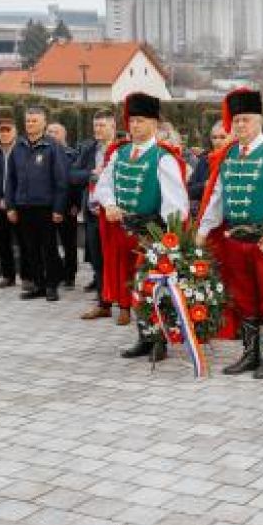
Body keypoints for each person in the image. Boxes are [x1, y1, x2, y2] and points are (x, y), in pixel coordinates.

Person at [197, 87, 263, 379]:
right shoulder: (228, 154)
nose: (240, 125)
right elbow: (217, 197)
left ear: (259, 121)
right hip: (235, 240)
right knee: (243, 299)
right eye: (236, 120)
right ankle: (250, 352)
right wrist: (203, 229)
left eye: (245, 119)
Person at [95, 92, 190, 360]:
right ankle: (144, 336)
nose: (134, 126)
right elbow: (103, 186)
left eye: (139, 121)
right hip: (123, 232)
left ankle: (159, 340)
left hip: (151, 235)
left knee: (152, 288)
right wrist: (110, 204)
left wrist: (166, 240)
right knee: (133, 288)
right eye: (131, 121)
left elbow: (177, 206)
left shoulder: (163, 158)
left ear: (154, 124)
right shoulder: (120, 153)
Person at [5, 107, 67, 302]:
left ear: (44, 123)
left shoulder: (53, 146)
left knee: (49, 248)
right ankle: (38, 285)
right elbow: (10, 179)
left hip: (46, 207)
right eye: (27, 121)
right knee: (30, 249)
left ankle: (52, 286)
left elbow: (61, 180)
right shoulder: (19, 146)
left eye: (34, 121)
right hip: (23, 206)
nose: (29, 124)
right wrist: (10, 206)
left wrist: (58, 208)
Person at [70, 109, 117, 320]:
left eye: (102, 125)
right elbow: (72, 175)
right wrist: (91, 174)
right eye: (95, 125)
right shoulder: (88, 149)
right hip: (92, 215)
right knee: (97, 261)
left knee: (117, 260)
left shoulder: (123, 149)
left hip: (116, 216)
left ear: (113, 127)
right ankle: (103, 303)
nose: (98, 129)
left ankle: (126, 304)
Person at [0, 117, 31, 289]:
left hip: (19, 205)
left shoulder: (24, 149)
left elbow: (26, 179)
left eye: (8, 130)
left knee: (24, 242)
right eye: (1, 130)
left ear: (15, 131)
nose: (4, 133)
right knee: (3, 242)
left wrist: (13, 202)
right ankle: (8, 276)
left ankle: (26, 276)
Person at [47, 122, 79, 288]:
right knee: (49, 242)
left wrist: (76, 203)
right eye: (49, 131)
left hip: (67, 206)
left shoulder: (72, 155)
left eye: (56, 132)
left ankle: (70, 275)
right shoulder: (43, 152)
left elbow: (75, 181)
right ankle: (57, 272)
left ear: (64, 135)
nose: (52, 134)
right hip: (47, 205)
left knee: (69, 243)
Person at [188, 121, 230, 217]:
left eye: (222, 137)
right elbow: (189, 190)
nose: (218, 141)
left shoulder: (236, 160)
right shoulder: (204, 160)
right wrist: (205, 185)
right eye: (214, 137)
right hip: (205, 215)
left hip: (228, 216)